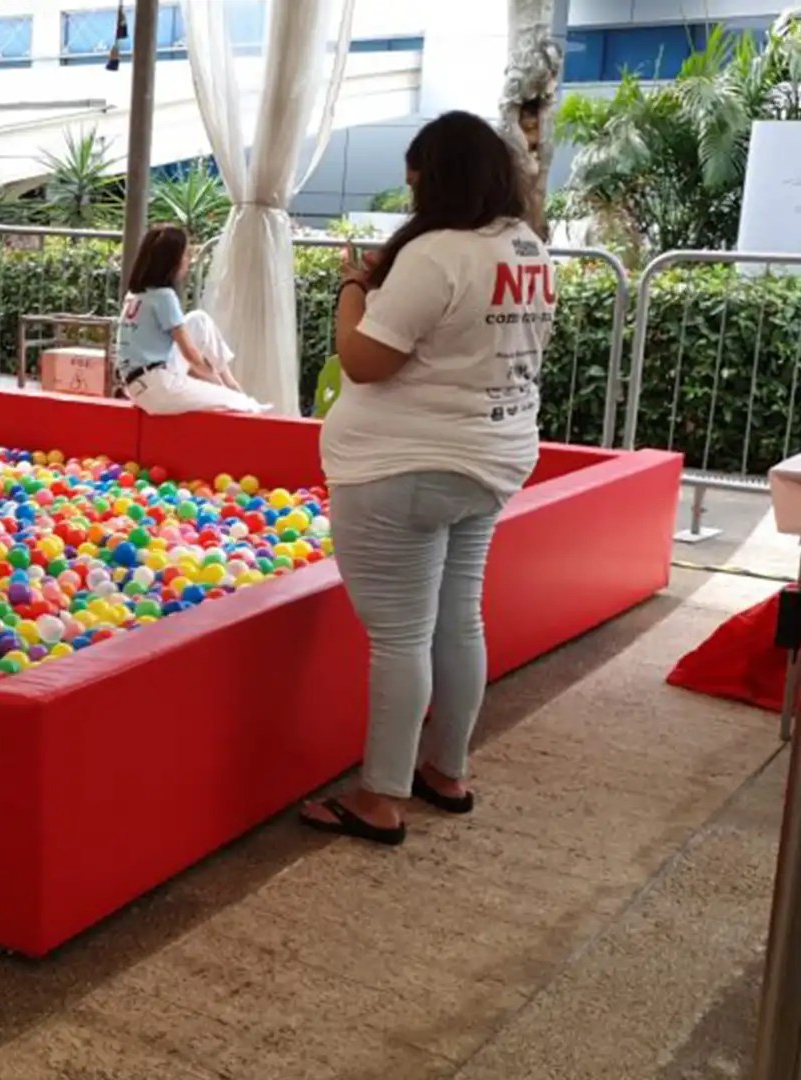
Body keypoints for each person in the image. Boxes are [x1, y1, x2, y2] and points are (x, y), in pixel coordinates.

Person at [300, 110, 556, 847]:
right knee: (458, 616)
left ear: (437, 179)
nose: (411, 197)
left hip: (400, 467)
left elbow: (365, 360)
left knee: (401, 635)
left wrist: (353, 289)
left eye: (416, 182)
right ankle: (446, 770)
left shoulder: (437, 252)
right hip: (492, 458)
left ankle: (380, 797)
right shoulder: (524, 245)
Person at [115, 223, 266, 414]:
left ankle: (229, 383)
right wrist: (213, 383)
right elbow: (191, 355)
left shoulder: (135, 295)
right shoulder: (164, 297)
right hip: (157, 386)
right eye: (186, 254)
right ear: (171, 261)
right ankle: (230, 389)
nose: (189, 260)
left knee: (198, 320)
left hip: (140, 383)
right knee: (242, 404)